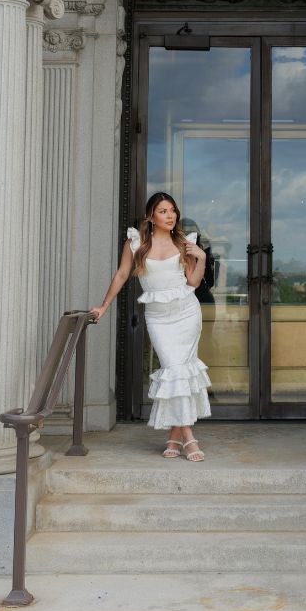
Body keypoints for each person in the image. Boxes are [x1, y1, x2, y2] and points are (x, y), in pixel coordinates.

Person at [89, 192, 212, 460]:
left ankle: (183, 437)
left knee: (180, 372)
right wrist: (104, 306)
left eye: (173, 211)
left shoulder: (185, 243)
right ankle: (179, 437)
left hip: (187, 314)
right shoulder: (136, 243)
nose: (170, 216)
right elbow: (122, 274)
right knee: (174, 370)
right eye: (163, 211)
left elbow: (192, 282)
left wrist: (200, 258)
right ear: (151, 216)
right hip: (159, 319)